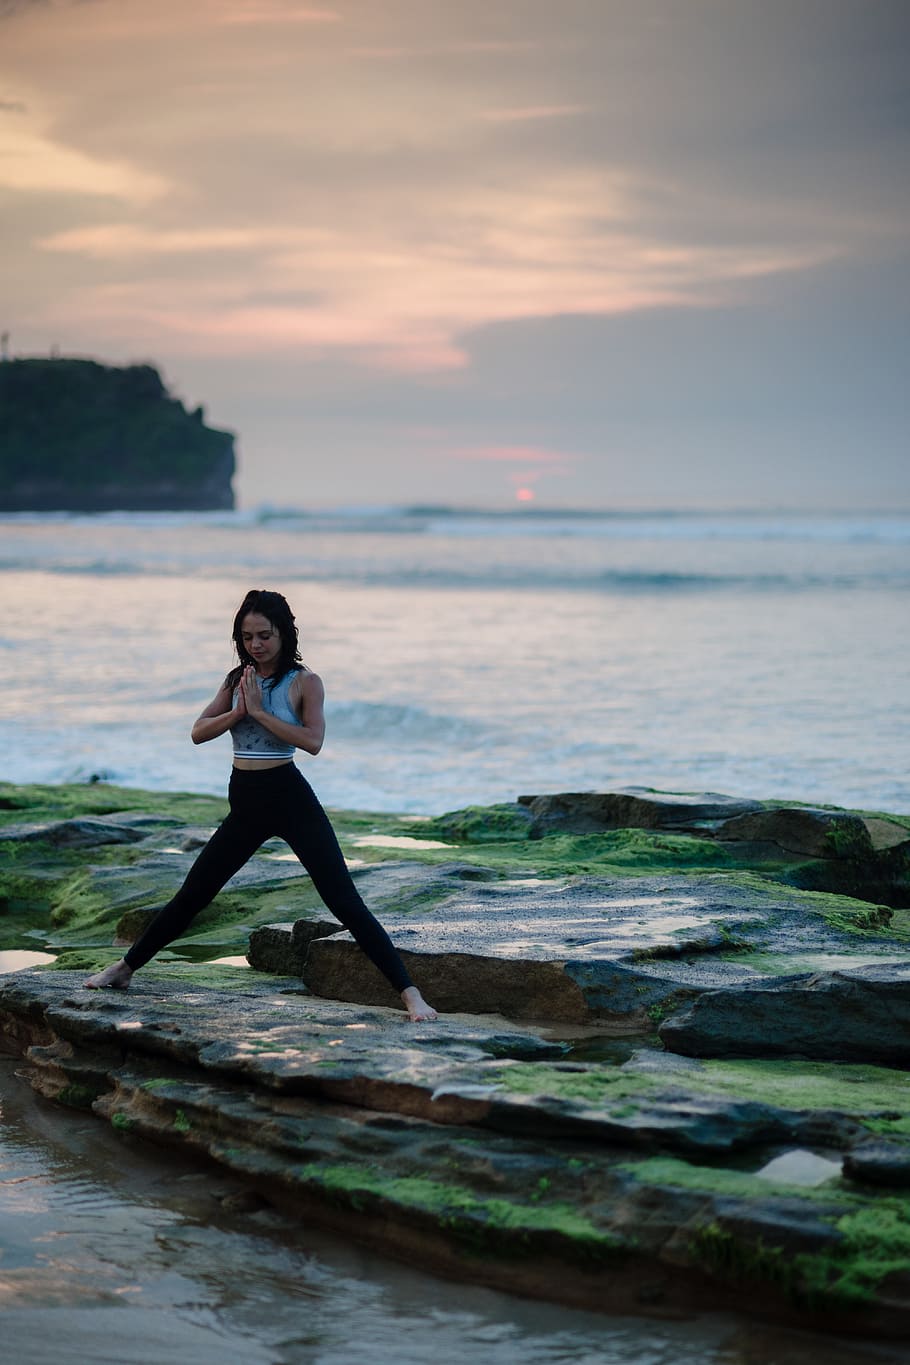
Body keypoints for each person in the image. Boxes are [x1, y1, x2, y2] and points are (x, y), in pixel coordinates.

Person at [85, 589, 437, 1022]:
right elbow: (198, 731)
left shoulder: (305, 682)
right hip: (246, 803)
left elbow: (313, 742)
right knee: (194, 894)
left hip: (289, 798)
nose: (256, 644)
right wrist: (237, 713)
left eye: (265, 635)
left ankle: (410, 995)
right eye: (248, 636)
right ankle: (124, 969)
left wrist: (260, 714)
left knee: (343, 900)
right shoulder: (237, 679)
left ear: (284, 634)